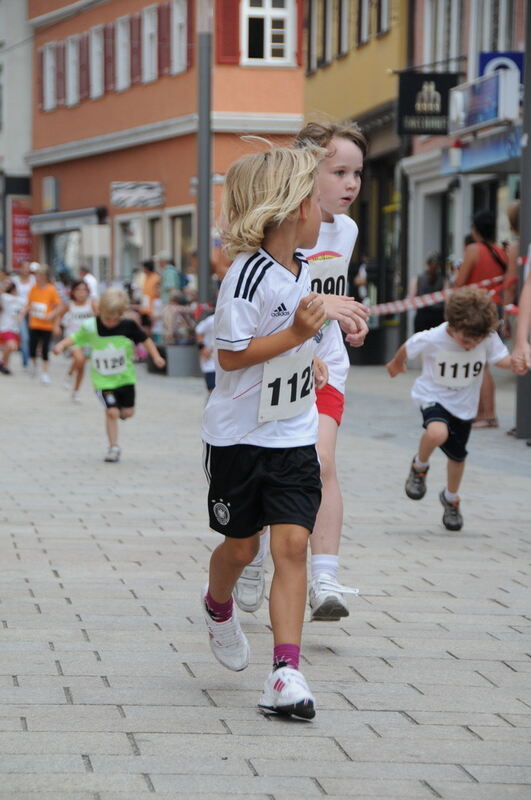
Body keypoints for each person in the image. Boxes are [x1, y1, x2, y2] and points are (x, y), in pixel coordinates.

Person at [201, 144, 329, 720]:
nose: (322, 205)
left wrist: (312, 359)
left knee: (293, 545)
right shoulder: (247, 276)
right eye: (315, 195)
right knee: (240, 547)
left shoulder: (307, 269)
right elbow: (232, 357)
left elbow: (296, 343)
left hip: (292, 432)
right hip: (237, 438)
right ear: (292, 207)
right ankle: (217, 605)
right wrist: (298, 338)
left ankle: (285, 673)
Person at [235, 120, 370, 622]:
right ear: (308, 172)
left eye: (357, 172)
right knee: (265, 468)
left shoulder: (349, 229)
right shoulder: (280, 225)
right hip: (275, 362)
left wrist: (348, 321)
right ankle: (250, 559)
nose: (351, 184)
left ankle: (325, 579)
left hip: (325, 365)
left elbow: (329, 294)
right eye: (339, 172)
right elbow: (269, 295)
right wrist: (315, 318)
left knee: (322, 460)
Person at [387, 287, 511, 530]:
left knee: (457, 457)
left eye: (475, 342)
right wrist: (396, 363)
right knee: (437, 433)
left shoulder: (485, 336)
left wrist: (516, 364)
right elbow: (409, 347)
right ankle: (419, 467)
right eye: (465, 340)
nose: (470, 346)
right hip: (433, 396)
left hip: (464, 405)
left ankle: (451, 498)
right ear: (451, 326)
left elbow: (501, 359)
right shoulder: (434, 337)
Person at [53, 287, 165, 462]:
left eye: (115, 319)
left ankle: (120, 414)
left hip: (125, 378)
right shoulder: (91, 326)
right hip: (103, 380)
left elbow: (145, 340)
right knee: (111, 412)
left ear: (121, 314)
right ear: (100, 311)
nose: (111, 323)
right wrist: (61, 345)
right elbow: (75, 338)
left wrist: (156, 356)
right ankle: (113, 447)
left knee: (128, 413)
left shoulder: (128, 326)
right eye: (107, 318)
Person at [455, 210, 507, 429]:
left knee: (480, 363)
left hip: (474, 309)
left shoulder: (473, 250)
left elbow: (460, 283)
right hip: (494, 308)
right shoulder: (501, 251)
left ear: (475, 230)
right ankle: (484, 413)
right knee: (482, 361)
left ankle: (487, 415)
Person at [57, 279, 97, 402]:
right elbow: (58, 315)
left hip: (88, 339)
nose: (81, 293)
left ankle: (76, 391)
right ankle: (69, 374)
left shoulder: (92, 304)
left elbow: (100, 318)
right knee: (79, 359)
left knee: (82, 366)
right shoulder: (70, 305)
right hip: (73, 338)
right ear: (73, 292)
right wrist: (56, 327)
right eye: (78, 290)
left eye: (84, 290)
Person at [25, 264, 64, 384]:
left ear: (45, 276)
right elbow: (29, 303)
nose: (38, 277)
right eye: (37, 275)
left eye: (40, 275)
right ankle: (33, 364)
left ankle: (45, 373)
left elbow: (59, 305)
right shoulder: (33, 288)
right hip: (34, 323)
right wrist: (26, 311)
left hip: (46, 324)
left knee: (45, 348)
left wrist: (51, 315)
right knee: (32, 346)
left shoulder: (51, 289)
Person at [409, 252, 446, 332]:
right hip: (438, 316)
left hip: (422, 315)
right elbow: (447, 298)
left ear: (427, 264)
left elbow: (412, 297)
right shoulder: (443, 280)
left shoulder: (418, 279)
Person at [12, 261, 35, 367]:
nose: (26, 270)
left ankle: (31, 356)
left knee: (32, 336)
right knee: (24, 336)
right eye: (24, 268)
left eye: (28, 268)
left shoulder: (33, 280)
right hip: (19, 311)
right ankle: (26, 360)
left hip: (32, 312)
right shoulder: (15, 281)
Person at [0, 281, 25, 374]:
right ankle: (2, 362)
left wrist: (22, 314)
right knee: (12, 346)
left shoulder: (20, 300)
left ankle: (5, 365)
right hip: (6, 327)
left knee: (9, 348)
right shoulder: (5, 298)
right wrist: (5, 285)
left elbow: (27, 305)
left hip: (15, 328)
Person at [195, 311, 216, 394]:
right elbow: (198, 330)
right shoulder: (212, 320)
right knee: (212, 389)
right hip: (210, 361)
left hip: (224, 361)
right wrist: (202, 348)